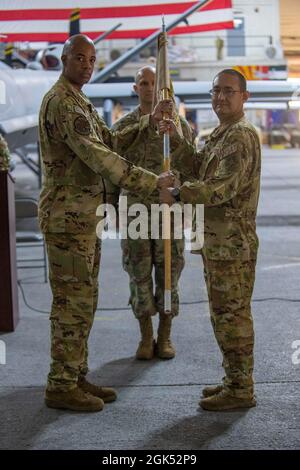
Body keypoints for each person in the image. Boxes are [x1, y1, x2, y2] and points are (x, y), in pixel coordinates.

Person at [38, 34, 174, 412]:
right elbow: (99, 156)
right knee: (72, 304)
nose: (87, 64)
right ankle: (61, 384)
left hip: (83, 218)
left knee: (84, 301)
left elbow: (111, 138)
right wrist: (151, 182)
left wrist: (149, 121)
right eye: (79, 57)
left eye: (92, 59)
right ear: (65, 58)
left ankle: (76, 374)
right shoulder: (63, 103)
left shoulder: (80, 101)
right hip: (68, 219)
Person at [159, 69, 261, 411]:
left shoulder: (241, 136)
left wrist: (177, 192)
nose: (220, 97)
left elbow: (221, 188)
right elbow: (201, 165)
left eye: (229, 91)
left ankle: (241, 388)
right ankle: (233, 379)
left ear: (244, 97)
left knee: (232, 314)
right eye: (216, 91)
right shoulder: (222, 133)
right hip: (218, 242)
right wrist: (175, 135)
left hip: (232, 244)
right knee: (223, 314)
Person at [112, 66, 194, 361]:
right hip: (136, 213)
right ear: (135, 89)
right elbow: (112, 153)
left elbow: (191, 165)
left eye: (155, 83)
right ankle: (146, 336)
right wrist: (150, 121)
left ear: (165, 88)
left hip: (168, 213)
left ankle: (166, 334)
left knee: (170, 273)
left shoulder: (179, 125)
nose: (149, 88)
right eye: (143, 83)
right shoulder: (125, 126)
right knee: (139, 273)